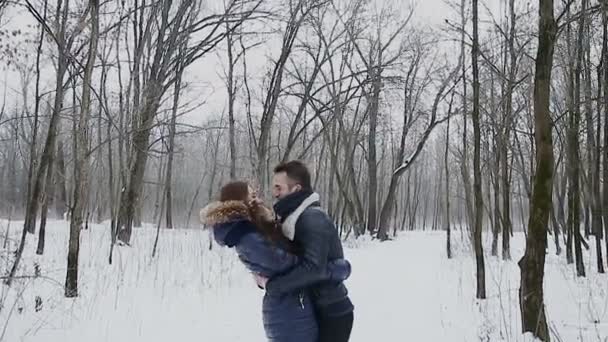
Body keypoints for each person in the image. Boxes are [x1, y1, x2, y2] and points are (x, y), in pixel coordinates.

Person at [200, 181, 351, 342]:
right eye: (252, 196)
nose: (258, 200)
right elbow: (291, 265)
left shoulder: (251, 230)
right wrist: (335, 268)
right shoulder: (246, 237)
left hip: (294, 308)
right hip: (289, 316)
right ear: (240, 202)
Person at [255, 161, 355, 342]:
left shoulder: (311, 218)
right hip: (313, 307)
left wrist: (272, 285)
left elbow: (313, 268)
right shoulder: (291, 218)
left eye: (279, 188)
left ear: (296, 189)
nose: (274, 193)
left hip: (331, 311)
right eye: (274, 187)